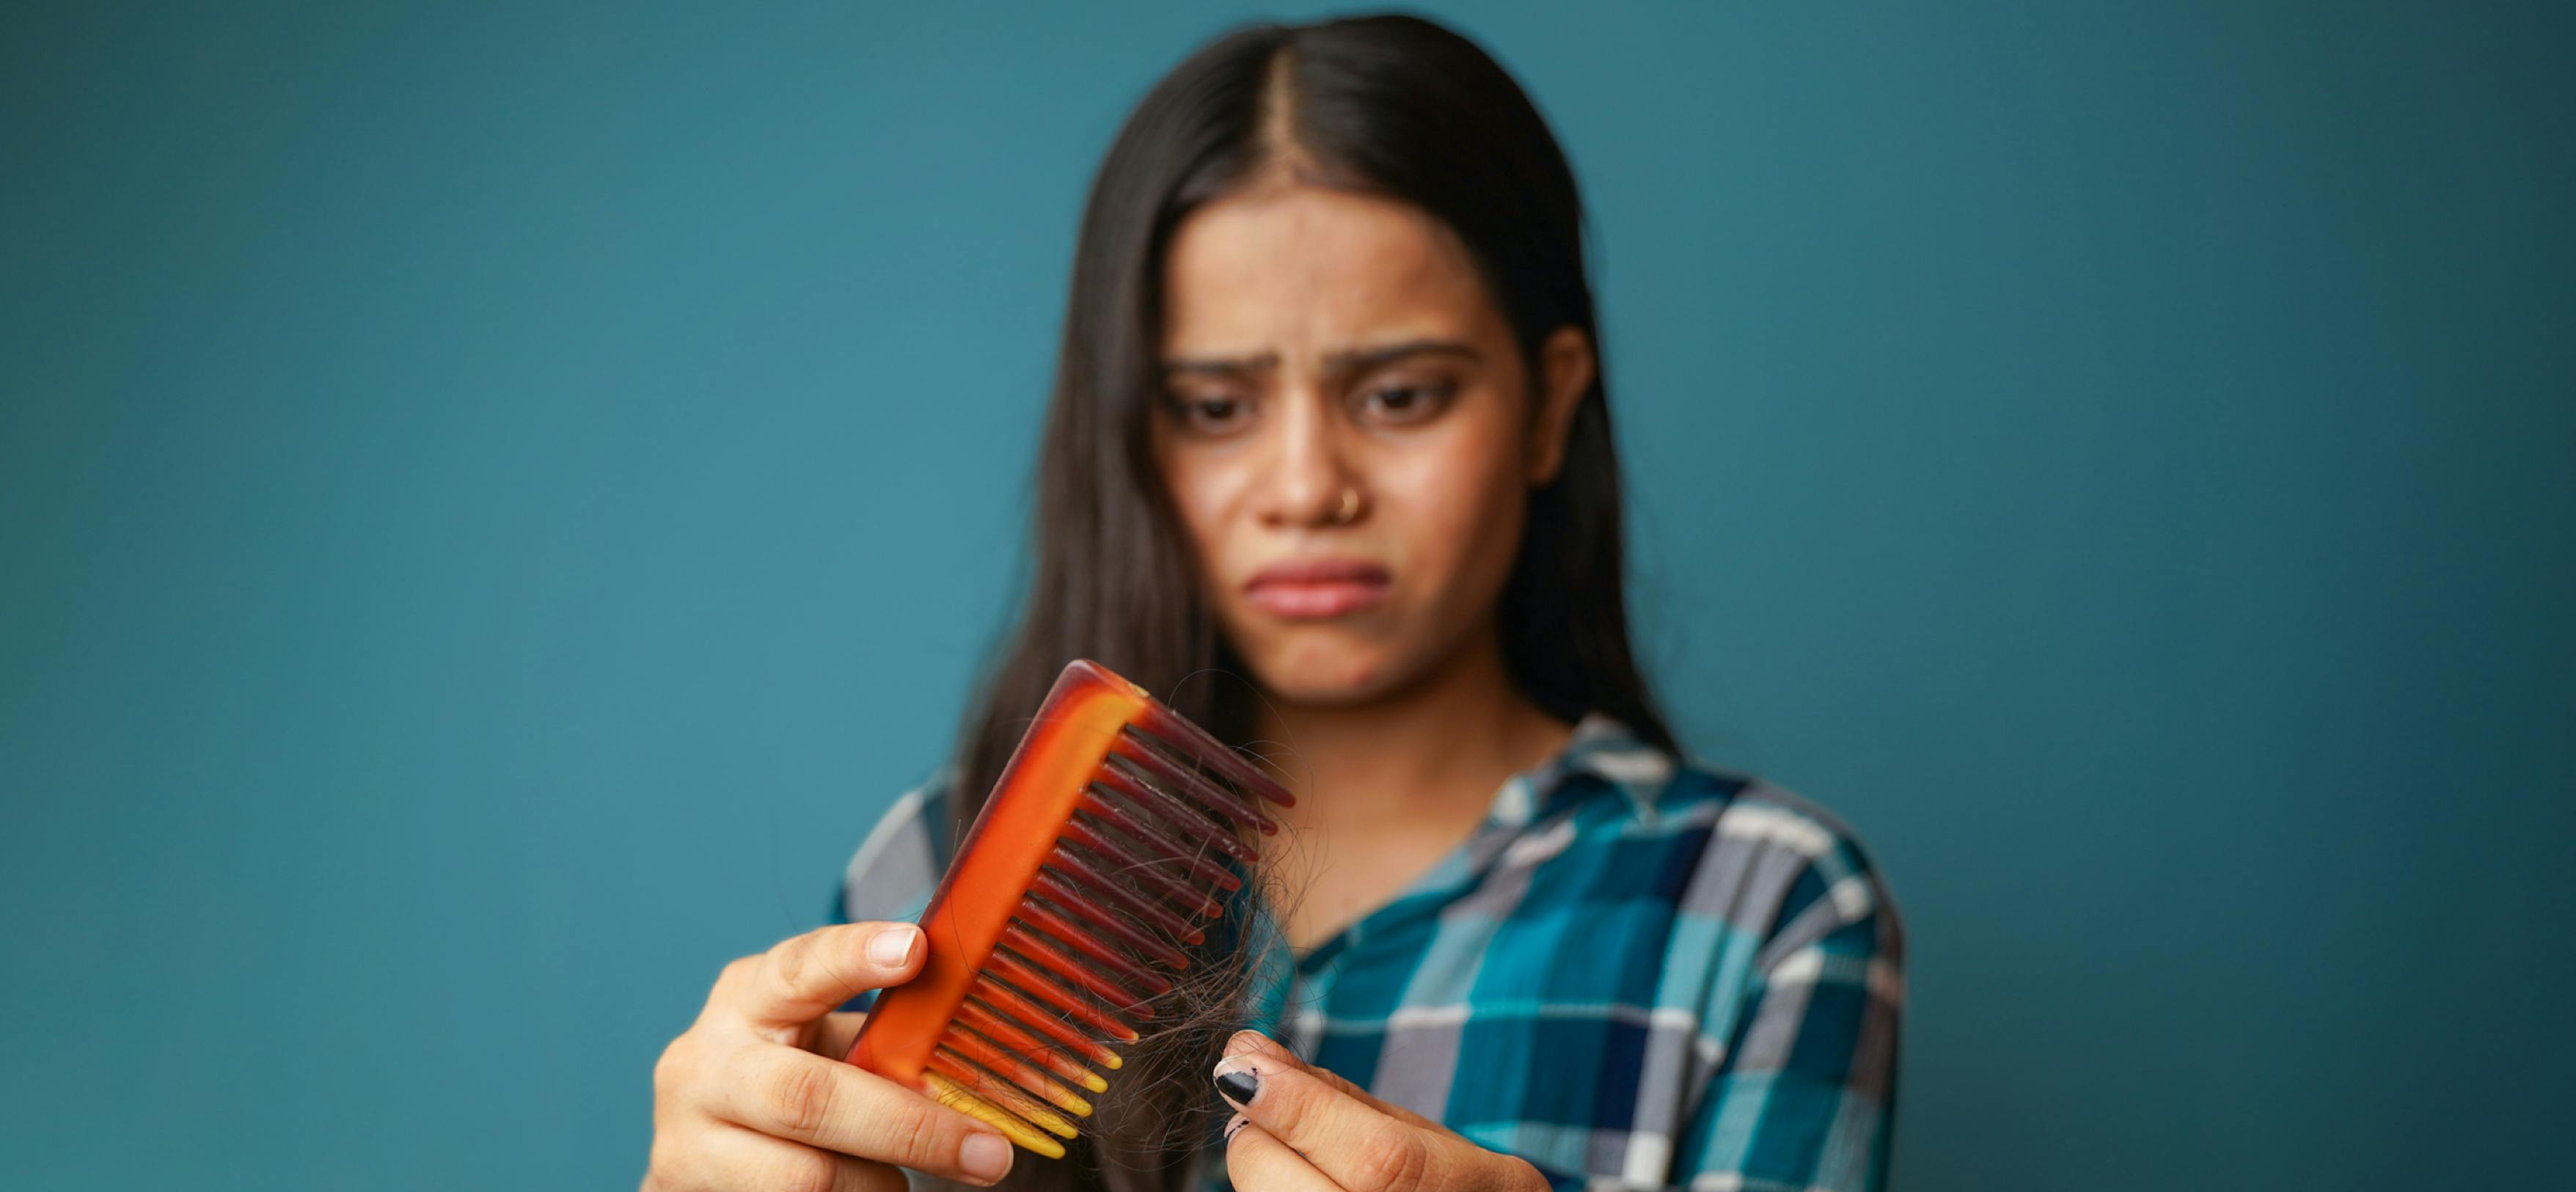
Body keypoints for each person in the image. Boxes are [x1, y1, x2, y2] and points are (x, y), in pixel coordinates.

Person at [644, 13, 1900, 1192]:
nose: (1307, 488)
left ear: (1548, 406)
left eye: (1401, 395)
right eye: (1216, 408)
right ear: (1134, 433)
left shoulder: (1761, 908)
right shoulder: (928, 869)